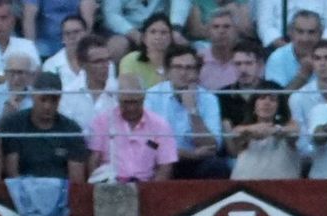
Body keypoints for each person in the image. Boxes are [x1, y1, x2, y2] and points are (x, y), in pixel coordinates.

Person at [147, 44, 227, 177]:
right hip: (161, 161)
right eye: (177, 67)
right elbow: (149, 143)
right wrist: (190, 154)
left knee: (216, 166)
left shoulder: (208, 99)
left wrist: (193, 111)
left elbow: (212, 147)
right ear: (167, 71)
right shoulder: (151, 96)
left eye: (189, 68)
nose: (183, 73)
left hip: (196, 163)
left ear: (197, 72)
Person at [0, 68, 88, 176]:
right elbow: (12, 175)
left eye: (53, 100)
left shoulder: (72, 130)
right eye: (43, 99)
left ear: (60, 99)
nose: (47, 106)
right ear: (32, 96)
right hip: (22, 189)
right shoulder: (14, 125)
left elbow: (76, 181)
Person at [86, 72, 177, 179]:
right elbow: (93, 160)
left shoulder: (160, 125)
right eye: (126, 102)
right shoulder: (102, 122)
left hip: (146, 186)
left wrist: (153, 191)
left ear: (143, 97)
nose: (131, 108)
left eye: (135, 102)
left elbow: (165, 166)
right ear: (118, 99)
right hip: (111, 186)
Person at [226, 78, 301, 176]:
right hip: (245, 186)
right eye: (261, 98)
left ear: (279, 106)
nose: (266, 103)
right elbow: (235, 134)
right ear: (254, 104)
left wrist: (274, 130)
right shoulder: (244, 127)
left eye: (272, 99)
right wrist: (254, 129)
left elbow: (295, 131)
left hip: (281, 186)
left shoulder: (289, 125)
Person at [59, 34, 116, 127]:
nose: (105, 66)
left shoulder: (119, 93)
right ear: (81, 64)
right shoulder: (68, 94)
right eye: (98, 61)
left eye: (107, 60)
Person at [264, 10, 324, 87]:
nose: (305, 39)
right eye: (300, 32)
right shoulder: (277, 58)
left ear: (321, 33)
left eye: (311, 32)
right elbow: (277, 98)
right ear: (290, 32)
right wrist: (303, 75)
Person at [115, 12, 170, 88]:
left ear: (171, 38)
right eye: (153, 32)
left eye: (163, 33)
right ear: (144, 38)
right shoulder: (131, 60)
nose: (158, 37)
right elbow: (128, 94)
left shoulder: (178, 62)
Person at [254, 0, 327, 47]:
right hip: (280, 46)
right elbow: (265, 26)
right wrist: (286, 49)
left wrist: (319, 49)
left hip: (319, 45)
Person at [0, 48, 34, 120]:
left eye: (20, 73)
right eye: (12, 72)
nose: (16, 78)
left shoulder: (38, 97)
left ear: (30, 74)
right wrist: (6, 116)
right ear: (5, 73)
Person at [194, 8, 239, 90]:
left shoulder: (246, 61)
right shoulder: (198, 60)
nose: (221, 31)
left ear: (236, 31)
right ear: (208, 32)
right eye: (216, 27)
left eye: (227, 26)